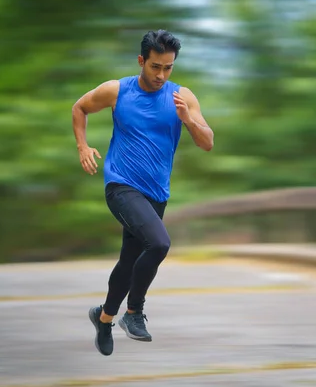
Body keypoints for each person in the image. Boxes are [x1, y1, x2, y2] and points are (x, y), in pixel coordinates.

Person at [71, 29, 214, 356]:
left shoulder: (182, 97)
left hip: (156, 194)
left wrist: (188, 120)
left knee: (129, 261)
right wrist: (82, 146)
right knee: (160, 243)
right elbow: (80, 108)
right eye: (155, 67)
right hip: (120, 185)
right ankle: (134, 312)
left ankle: (104, 318)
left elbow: (207, 142)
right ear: (141, 61)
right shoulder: (117, 91)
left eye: (168, 68)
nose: (161, 75)